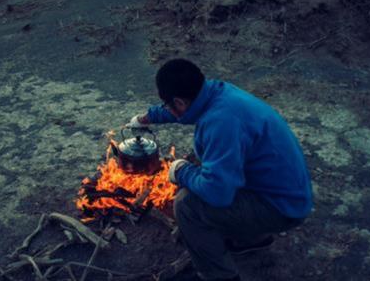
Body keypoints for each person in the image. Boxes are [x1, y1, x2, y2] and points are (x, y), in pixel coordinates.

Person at [126, 59, 313, 281]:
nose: (167, 109)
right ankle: (250, 239)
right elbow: (181, 110)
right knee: (204, 165)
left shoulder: (221, 122)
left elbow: (218, 193)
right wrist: (145, 119)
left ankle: (219, 275)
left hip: (281, 208)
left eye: (167, 104)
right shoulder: (216, 94)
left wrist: (181, 171)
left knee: (187, 204)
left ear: (179, 101)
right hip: (283, 192)